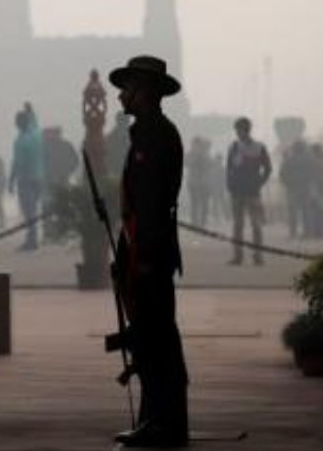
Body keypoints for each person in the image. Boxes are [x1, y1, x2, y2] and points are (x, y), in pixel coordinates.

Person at [109, 55, 189, 448]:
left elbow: (153, 204)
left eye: (128, 88)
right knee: (151, 338)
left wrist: (140, 257)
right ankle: (156, 419)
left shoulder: (157, 135)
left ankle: (164, 423)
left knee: (157, 340)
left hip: (151, 252)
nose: (121, 95)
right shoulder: (146, 133)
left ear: (145, 92)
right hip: (143, 247)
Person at [226, 117, 271, 266]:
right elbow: (228, 169)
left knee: (256, 226)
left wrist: (259, 183)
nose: (238, 133)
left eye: (239, 130)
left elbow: (268, 168)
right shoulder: (234, 147)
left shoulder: (259, 147)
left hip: (253, 192)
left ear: (246, 130)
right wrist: (230, 185)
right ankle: (238, 256)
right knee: (238, 226)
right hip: (237, 192)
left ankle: (257, 255)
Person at [7, 105, 44, 252]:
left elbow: (17, 163)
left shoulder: (20, 141)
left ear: (17, 124)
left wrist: (11, 181)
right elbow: (35, 122)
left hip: (26, 180)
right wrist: (31, 110)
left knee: (29, 212)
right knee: (33, 209)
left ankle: (32, 240)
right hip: (39, 177)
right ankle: (32, 238)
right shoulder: (37, 134)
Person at [279, 140, 314, 240]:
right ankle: (307, 232)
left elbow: (282, 174)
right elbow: (313, 173)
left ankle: (293, 232)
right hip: (305, 188)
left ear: (293, 149)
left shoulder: (289, 160)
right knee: (306, 212)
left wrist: (287, 184)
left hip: (292, 189)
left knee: (292, 212)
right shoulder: (309, 160)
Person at [185, 137, 213, 227]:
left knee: (204, 203)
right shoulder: (190, 154)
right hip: (193, 182)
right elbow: (186, 163)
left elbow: (209, 166)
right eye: (194, 144)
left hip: (204, 183)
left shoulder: (205, 155)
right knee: (194, 202)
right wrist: (194, 157)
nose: (195, 146)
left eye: (197, 145)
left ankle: (203, 221)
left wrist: (202, 156)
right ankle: (194, 222)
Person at [309, 144, 323, 239]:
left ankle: (317, 232)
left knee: (316, 211)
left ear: (315, 152)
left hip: (317, 189)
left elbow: (313, 177)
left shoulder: (315, 162)